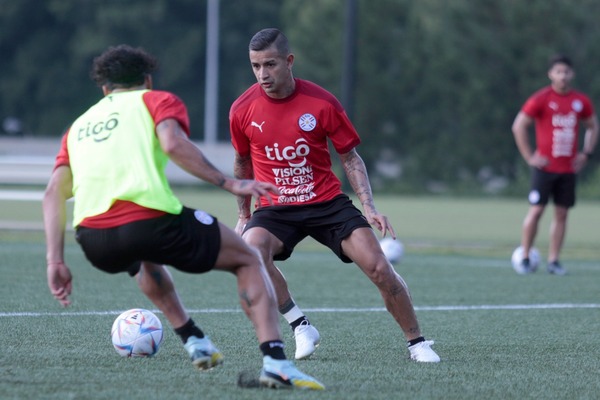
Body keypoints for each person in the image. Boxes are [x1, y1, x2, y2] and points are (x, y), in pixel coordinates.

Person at [42, 44, 324, 390]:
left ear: (104, 88)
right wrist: (230, 182)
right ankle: (277, 363)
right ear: (147, 79)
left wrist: (54, 260)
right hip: (150, 220)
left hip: (93, 239)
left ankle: (194, 340)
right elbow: (173, 144)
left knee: (143, 259)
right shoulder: (156, 100)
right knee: (249, 259)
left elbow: (53, 191)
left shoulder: (79, 126)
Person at [230, 28, 440, 363]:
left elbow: (350, 158)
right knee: (251, 253)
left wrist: (369, 208)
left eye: (270, 64)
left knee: (379, 269)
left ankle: (417, 343)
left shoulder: (322, 103)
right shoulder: (242, 109)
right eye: (255, 66)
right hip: (275, 208)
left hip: (326, 203)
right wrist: (243, 214)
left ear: (289, 61)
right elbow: (242, 162)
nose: (262, 74)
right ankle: (300, 325)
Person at [512, 54, 598, 275]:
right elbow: (519, 126)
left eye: (566, 72)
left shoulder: (580, 101)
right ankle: (525, 256)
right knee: (537, 210)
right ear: (551, 74)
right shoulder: (541, 98)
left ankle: (553, 260)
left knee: (562, 214)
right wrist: (530, 157)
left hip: (567, 169)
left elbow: (592, 126)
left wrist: (586, 153)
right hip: (544, 168)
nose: (563, 76)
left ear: (572, 74)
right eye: (558, 71)